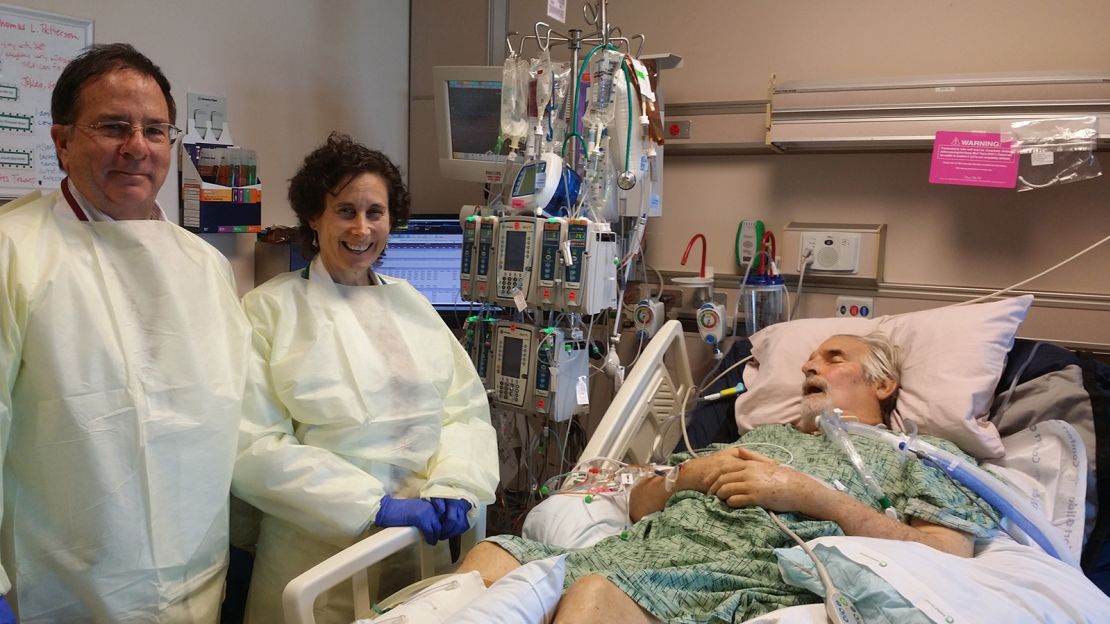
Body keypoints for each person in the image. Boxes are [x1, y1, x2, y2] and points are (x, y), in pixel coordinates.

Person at [458, 332, 1002, 623]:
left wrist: (811, 496)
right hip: (638, 549)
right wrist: (686, 476)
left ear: (883, 386)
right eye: (807, 360)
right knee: (497, 553)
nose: (810, 368)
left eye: (832, 358)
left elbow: (947, 554)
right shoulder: (762, 436)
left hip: (723, 576)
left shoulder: (922, 455)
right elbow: (639, 506)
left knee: (594, 596)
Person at [0, 44, 253, 621]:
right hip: (60, 585)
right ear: (62, 141)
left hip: (195, 572)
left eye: (155, 130)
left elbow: (242, 415)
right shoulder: (12, 253)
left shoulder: (205, 266)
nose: (137, 147)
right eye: (113, 127)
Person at [232, 132, 499, 623]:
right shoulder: (269, 310)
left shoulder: (411, 304)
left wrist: (457, 484)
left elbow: (463, 411)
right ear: (314, 217)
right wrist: (370, 505)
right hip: (317, 555)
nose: (362, 227)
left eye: (375, 212)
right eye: (345, 211)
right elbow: (253, 446)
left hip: (421, 546)